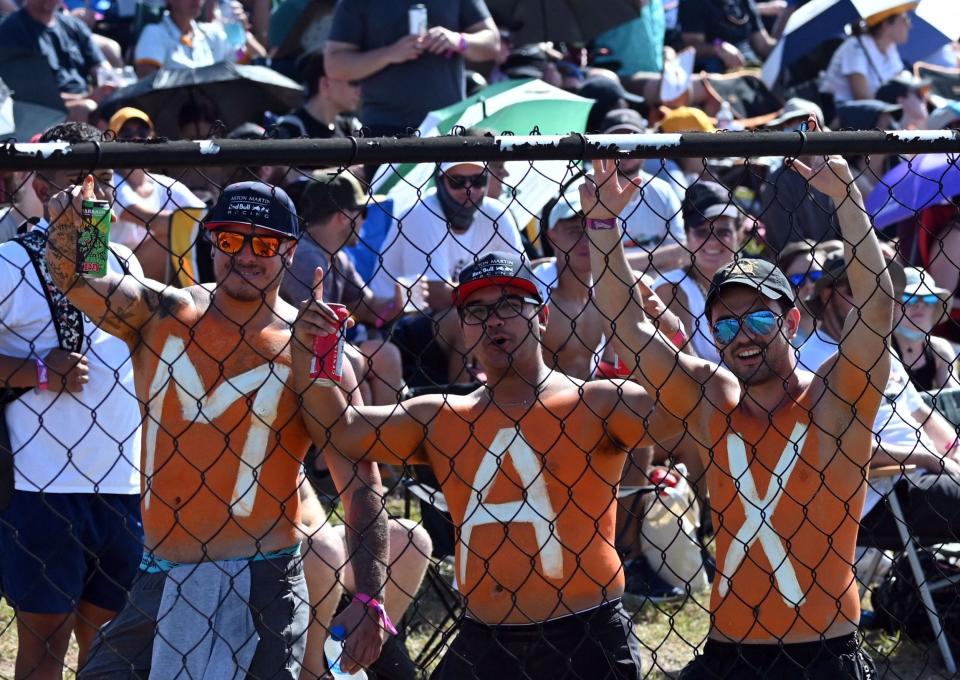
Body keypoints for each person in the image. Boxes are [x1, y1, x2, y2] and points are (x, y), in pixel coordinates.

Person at [582, 116, 892, 677]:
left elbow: (875, 309)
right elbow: (626, 326)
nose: (741, 336)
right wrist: (602, 220)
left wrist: (846, 195)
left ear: (792, 321)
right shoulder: (713, 399)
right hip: (729, 655)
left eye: (757, 319)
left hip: (825, 655)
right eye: (724, 326)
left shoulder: (834, 400)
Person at [44, 180, 394, 678]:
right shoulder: (163, 314)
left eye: (264, 244)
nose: (246, 256)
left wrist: (369, 597)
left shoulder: (314, 348)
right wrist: (84, 219)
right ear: (210, 241)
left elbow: (362, 483)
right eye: (231, 240)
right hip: (162, 570)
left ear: (290, 252)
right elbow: (82, 281)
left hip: (265, 575)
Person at [293, 249, 683, 679]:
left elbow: (686, 407)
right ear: (463, 328)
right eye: (477, 310)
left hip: (586, 636)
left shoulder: (594, 403)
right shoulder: (442, 417)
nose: (493, 320)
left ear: (543, 316)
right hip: (484, 640)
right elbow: (340, 429)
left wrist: (660, 337)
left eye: (510, 305)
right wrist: (320, 346)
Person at [0, 122, 143, 678]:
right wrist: (36, 370)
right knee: (44, 648)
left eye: (102, 179)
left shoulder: (125, 264)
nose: (91, 195)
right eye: (75, 180)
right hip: (43, 490)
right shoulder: (9, 263)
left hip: (121, 485)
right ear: (38, 184)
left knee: (113, 652)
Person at [370, 160, 523, 383]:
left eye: (478, 180)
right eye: (457, 182)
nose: (469, 189)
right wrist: (493, 293)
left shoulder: (497, 213)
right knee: (466, 323)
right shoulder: (421, 212)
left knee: (521, 317)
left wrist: (482, 297)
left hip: (469, 311)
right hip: (396, 323)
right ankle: (463, 410)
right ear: (441, 182)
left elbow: (521, 279)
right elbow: (436, 295)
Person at [281, 172, 405, 406]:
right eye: (363, 212)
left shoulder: (337, 257)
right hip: (294, 353)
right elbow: (320, 335)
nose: (365, 221)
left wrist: (397, 302)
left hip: (324, 350)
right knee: (382, 358)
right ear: (343, 216)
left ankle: (377, 439)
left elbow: (368, 308)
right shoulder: (306, 257)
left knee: (374, 366)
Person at [324, 0, 500, 137]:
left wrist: (458, 41)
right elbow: (334, 65)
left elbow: (493, 43)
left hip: (447, 126)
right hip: (385, 130)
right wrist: (390, 54)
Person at [653, 181, 746, 364]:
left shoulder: (754, 281)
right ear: (687, 236)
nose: (712, 242)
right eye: (702, 232)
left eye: (723, 231)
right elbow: (683, 366)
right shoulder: (672, 288)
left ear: (739, 234)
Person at [109, 108, 207, 280]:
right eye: (126, 132)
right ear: (113, 139)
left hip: (153, 272)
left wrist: (191, 221)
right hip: (118, 272)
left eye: (143, 131)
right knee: (169, 238)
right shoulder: (110, 181)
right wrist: (186, 221)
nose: (136, 137)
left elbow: (203, 215)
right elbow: (146, 218)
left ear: (152, 137)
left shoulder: (164, 183)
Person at [598, 109, 688, 274]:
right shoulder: (587, 191)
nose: (625, 148)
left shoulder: (663, 190)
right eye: (615, 140)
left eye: (633, 140)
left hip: (660, 289)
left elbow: (680, 255)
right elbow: (593, 264)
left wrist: (617, 261)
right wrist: (661, 257)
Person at [0, 0, 115, 121]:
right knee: (84, 108)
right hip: (45, 108)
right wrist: (86, 97)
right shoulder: (12, 31)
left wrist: (109, 84)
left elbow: (100, 66)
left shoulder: (73, 25)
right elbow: (30, 95)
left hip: (86, 96)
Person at [133, 0, 265, 76]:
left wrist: (243, 35)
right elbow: (147, 86)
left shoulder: (212, 33)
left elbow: (248, 57)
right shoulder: (154, 33)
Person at [819, 5, 913, 104]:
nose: (910, 26)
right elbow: (861, 97)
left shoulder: (890, 48)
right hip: (837, 111)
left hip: (874, 111)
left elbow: (900, 82)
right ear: (886, 25)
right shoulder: (855, 47)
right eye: (904, 19)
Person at [891, 267, 960, 393]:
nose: (920, 304)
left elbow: (954, 394)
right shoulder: (882, 349)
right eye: (910, 297)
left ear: (935, 307)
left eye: (929, 298)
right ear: (894, 305)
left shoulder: (940, 349)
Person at [275, 51, 363, 140]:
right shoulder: (291, 130)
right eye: (353, 82)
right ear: (325, 84)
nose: (359, 91)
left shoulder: (351, 129)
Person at [679, 0, 776, 72]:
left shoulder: (745, 2)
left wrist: (786, 45)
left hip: (753, 68)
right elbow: (692, 44)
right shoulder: (694, 3)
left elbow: (762, 45)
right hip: (721, 74)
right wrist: (719, 48)